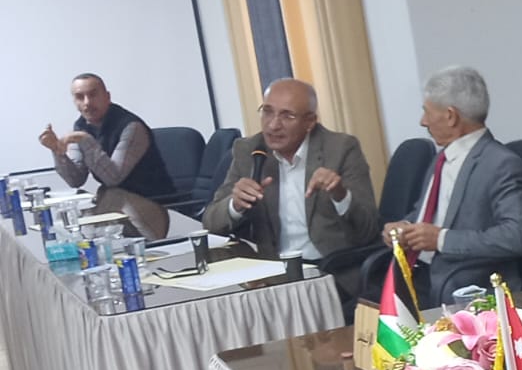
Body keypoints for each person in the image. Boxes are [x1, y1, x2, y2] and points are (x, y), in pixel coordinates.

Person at [384, 65, 522, 307]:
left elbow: (517, 236)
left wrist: (441, 239)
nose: (423, 122)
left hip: (461, 283)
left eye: (427, 112)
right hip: (416, 274)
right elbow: (429, 214)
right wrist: (405, 228)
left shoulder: (501, 163)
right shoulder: (441, 159)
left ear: (451, 116)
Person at [203, 79, 380, 277]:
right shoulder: (249, 150)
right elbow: (211, 222)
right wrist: (235, 205)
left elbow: (368, 229)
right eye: (267, 111)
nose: (273, 125)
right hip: (272, 272)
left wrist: (340, 195)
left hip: (331, 270)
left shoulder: (341, 149)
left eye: (287, 116)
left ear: (310, 122)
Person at [38, 74, 175, 239]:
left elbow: (113, 178)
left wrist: (86, 140)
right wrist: (57, 150)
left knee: (108, 198)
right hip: (118, 206)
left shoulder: (131, 126)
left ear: (107, 96)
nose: (87, 102)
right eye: (80, 97)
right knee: (72, 213)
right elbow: (76, 180)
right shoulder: (81, 126)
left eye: (93, 94)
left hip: (151, 208)